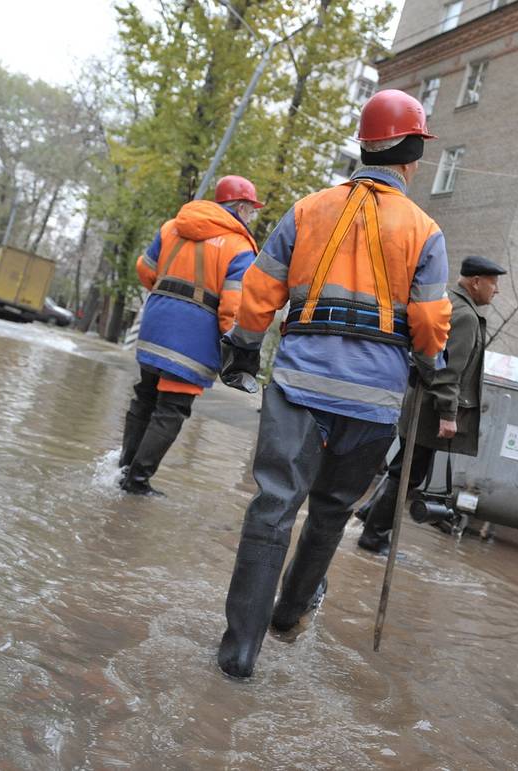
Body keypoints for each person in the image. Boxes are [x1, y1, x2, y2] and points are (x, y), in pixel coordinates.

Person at [215, 89, 452, 678]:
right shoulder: (425, 230)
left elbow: (260, 295)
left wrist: (244, 351)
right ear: (410, 154)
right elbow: (428, 324)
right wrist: (428, 364)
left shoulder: (307, 210)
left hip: (298, 385)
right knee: (330, 514)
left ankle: (238, 655)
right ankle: (289, 615)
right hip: (373, 404)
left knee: (274, 507)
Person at [117, 175, 262, 495]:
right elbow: (232, 308)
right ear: (240, 207)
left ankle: (124, 472)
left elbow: (145, 269)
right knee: (172, 408)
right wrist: (235, 347)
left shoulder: (172, 227)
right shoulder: (239, 246)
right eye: (251, 210)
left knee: (145, 397)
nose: (251, 217)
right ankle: (137, 483)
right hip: (192, 339)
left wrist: (168, 297)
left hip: (155, 325)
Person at [356, 255, 506, 555]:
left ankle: (369, 514)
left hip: (422, 402)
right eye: (493, 283)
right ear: (476, 282)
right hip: (431, 409)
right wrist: (448, 415)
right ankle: (374, 536)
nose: (496, 290)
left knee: (403, 469)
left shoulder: (449, 303)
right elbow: (449, 371)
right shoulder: (464, 315)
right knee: (408, 474)